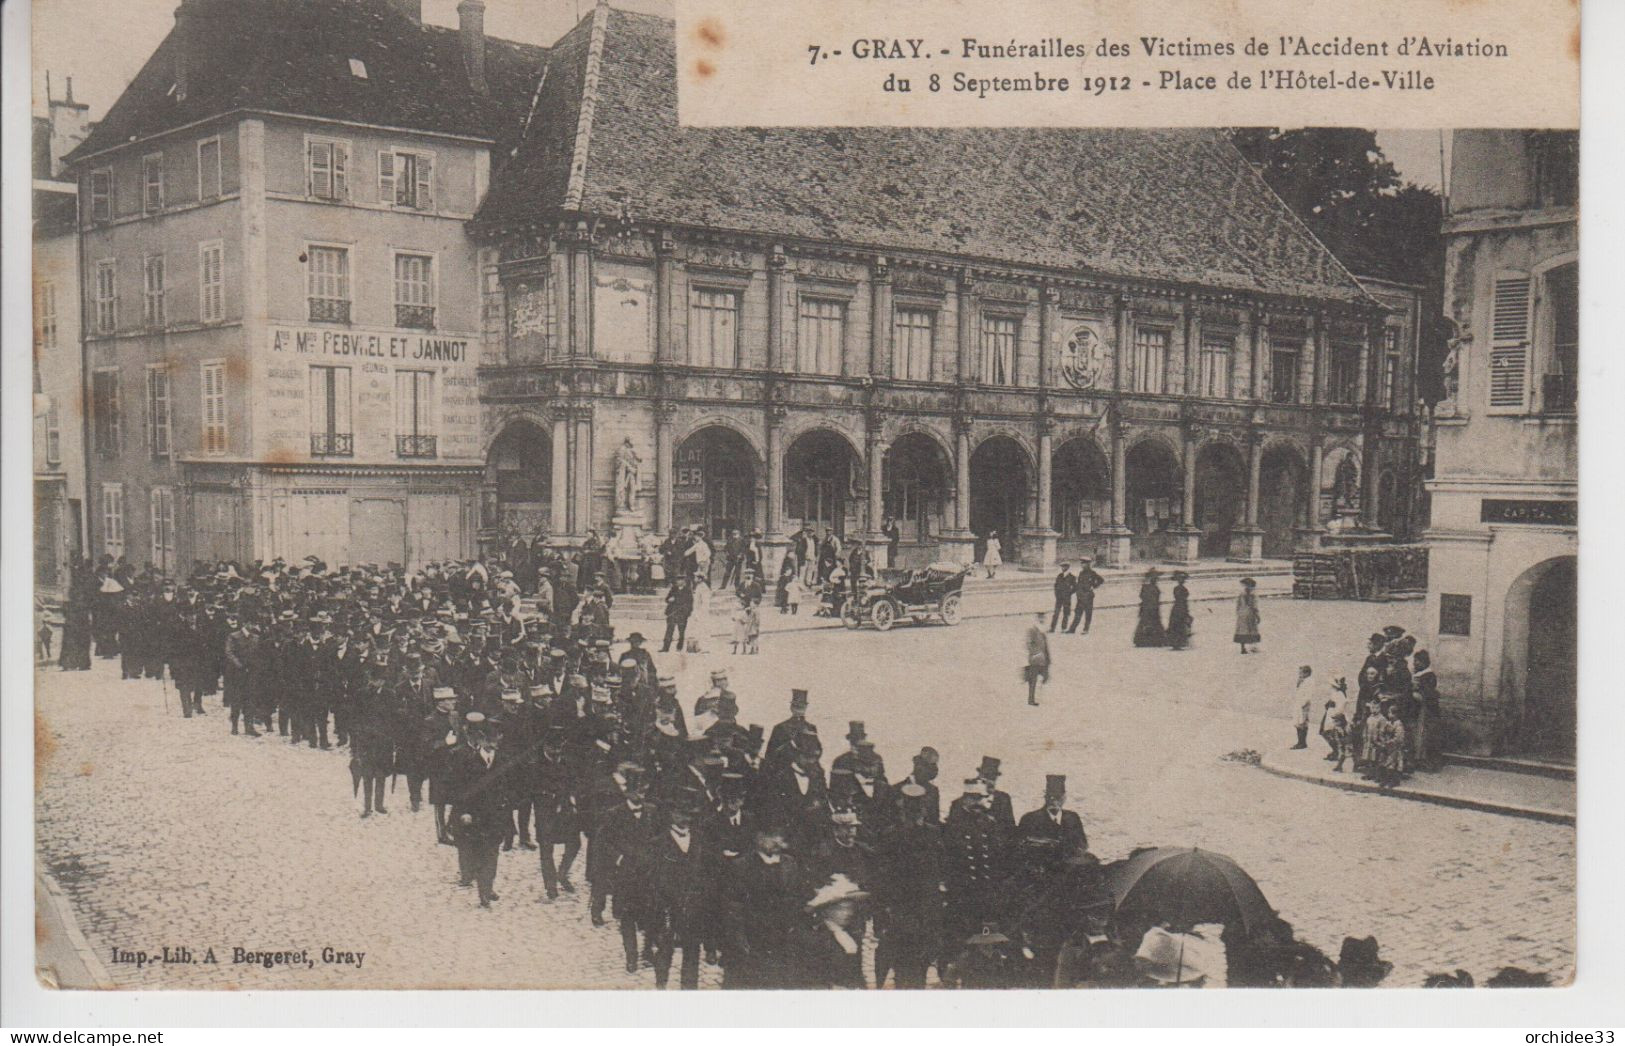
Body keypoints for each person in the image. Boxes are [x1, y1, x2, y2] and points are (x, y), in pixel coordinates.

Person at [448, 712, 510, 907]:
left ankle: (488, 886)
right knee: (481, 851)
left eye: (497, 741)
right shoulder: (469, 761)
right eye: (490, 741)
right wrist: (464, 811)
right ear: (481, 740)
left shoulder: (503, 761)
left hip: (497, 815)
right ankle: (483, 890)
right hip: (476, 815)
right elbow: (461, 789)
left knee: (493, 853)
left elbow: (509, 788)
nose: (493, 745)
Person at [1014, 774, 1088, 863]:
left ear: (1064, 798)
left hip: (1068, 866)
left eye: (1057, 797)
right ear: (1045, 797)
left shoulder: (1072, 818)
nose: (1053, 801)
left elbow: (1082, 844)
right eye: (1050, 796)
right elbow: (1022, 846)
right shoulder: (1030, 819)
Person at [1133, 568, 1167, 648]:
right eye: (1155, 578)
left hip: (1151, 608)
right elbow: (1142, 596)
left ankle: (1154, 640)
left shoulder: (1149, 587)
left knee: (1151, 624)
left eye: (1156, 578)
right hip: (1150, 609)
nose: (1156, 579)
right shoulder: (1147, 587)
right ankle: (1149, 641)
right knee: (1148, 624)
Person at [1023, 611, 1051, 707]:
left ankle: (1039, 698)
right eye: (1040, 618)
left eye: (1043, 618)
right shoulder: (1032, 630)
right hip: (1035, 659)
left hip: (1043, 659)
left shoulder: (1042, 631)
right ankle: (1032, 700)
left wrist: (1048, 658)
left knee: (1044, 678)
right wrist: (1036, 653)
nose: (1042, 620)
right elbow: (1028, 644)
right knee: (1033, 680)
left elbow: (1045, 646)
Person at [661, 577, 692, 653]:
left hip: (682, 614)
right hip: (672, 613)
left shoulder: (687, 591)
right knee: (669, 630)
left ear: (684, 581)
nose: (678, 581)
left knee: (681, 632)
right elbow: (667, 599)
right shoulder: (673, 589)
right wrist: (669, 599)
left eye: (680, 580)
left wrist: (687, 613)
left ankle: (679, 647)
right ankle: (665, 648)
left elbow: (690, 603)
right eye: (677, 580)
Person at [1166, 571, 1193, 650]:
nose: (1182, 581)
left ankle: (1177, 643)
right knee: (1178, 625)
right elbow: (1182, 599)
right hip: (1180, 607)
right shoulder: (1181, 589)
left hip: (1178, 607)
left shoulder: (1178, 588)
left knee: (1178, 625)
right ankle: (1177, 643)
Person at [1234, 577, 1262, 654]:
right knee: (1252, 630)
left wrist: (1238, 613)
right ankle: (1253, 647)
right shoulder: (1253, 595)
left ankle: (1243, 648)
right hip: (1250, 614)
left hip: (1242, 614)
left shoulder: (1241, 594)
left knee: (1242, 630)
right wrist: (1257, 615)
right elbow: (1254, 606)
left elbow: (1238, 605)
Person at [1289, 665, 1313, 749]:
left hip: (1303, 705)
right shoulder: (1303, 681)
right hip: (1299, 704)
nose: (1299, 674)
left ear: (1306, 673)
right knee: (1298, 722)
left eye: (1301, 673)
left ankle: (1302, 743)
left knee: (1302, 722)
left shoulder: (1309, 682)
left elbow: (1308, 695)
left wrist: (1302, 704)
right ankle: (1300, 741)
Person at [1049, 563, 1076, 633]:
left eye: (1064, 567)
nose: (1062, 568)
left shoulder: (1072, 577)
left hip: (1067, 598)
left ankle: (1063, 628)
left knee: (1066, 613)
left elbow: (1075, 587)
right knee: (1056, 613)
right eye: (1062, 567)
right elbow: (1056, 585)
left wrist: (1069, 593)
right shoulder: (1059, 576)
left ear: (1067, 567)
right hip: (1059, 598)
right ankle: (1052, 628)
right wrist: (1056, 593)